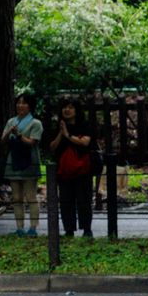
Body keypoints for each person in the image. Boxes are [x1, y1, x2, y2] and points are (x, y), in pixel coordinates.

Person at [43, 101, 97, 239]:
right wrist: (61, 133)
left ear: (76, 110)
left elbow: (85, 142)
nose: (67, 110)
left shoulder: (84, 125)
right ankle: (69, 229)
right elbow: (52, 147)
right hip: (64, 170)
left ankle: (87, 229)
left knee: (84, 199)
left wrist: (68, 135)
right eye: (64, 107)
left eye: (71, 107)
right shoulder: (58, 127)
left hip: (82, 169)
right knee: (66, 201)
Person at [2, 95, 42, 236]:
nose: (20, 106)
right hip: (13, 162)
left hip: (29, 162)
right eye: (18, 103)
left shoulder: (35, 123)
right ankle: (19, 228)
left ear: (30, 106)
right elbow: (3, 141)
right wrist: (8, 132)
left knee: (31, 197)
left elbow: (32, 142)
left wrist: (19, 135)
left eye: (24, 103)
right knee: (17, 197)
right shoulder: (11, 121)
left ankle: (33, 228)